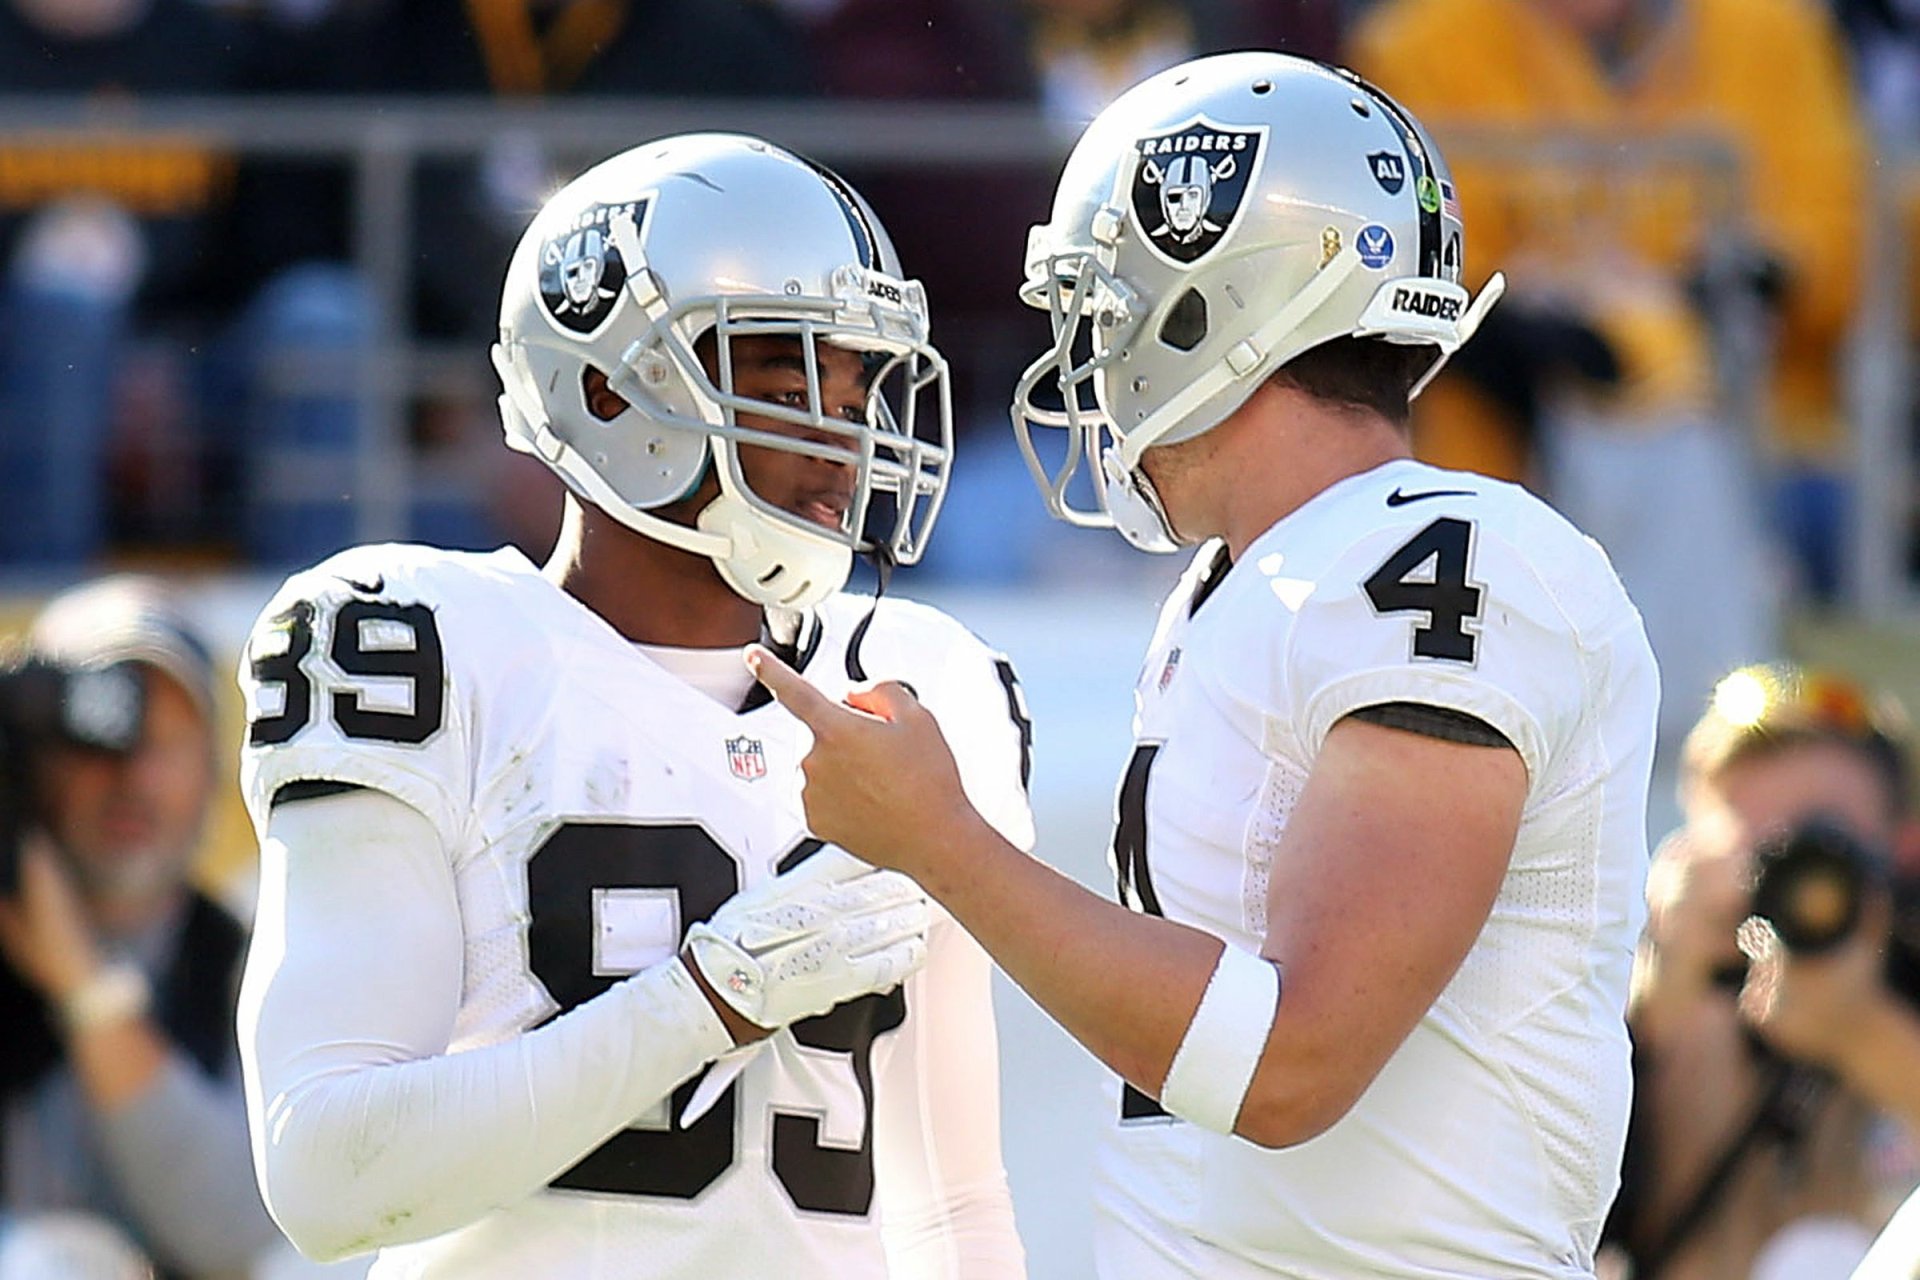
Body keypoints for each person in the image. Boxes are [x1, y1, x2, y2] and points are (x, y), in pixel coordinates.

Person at [749, 50, 1661, 1279]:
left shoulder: (1455, 557)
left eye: (1108, 303)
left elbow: (1295, 1060)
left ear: (1215, 304)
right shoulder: (1253, 578)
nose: (1085, 353)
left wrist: (942, 842)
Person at [234, 133, 1035, 1279]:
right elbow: (323, 1172)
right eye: (785, 384)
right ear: (613, 389)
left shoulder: (929, 678)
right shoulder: (417, 642)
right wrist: (712, 994)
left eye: (859, 390)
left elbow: (951, 1200)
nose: (847, 439)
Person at [0, 576, 281, 1279]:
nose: (134, 775)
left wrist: (84, 987)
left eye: (165, 741)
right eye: (97, 734)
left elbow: (242, 1232)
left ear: (218, 777)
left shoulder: (256, 960)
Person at [1604, 664, 1920, 1280]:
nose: (1797, 880)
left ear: (1904, 848)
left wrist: (1868, 1038)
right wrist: (1652, 1021)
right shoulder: (1653, 1009)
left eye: (1824, 842)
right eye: (1758, 853)